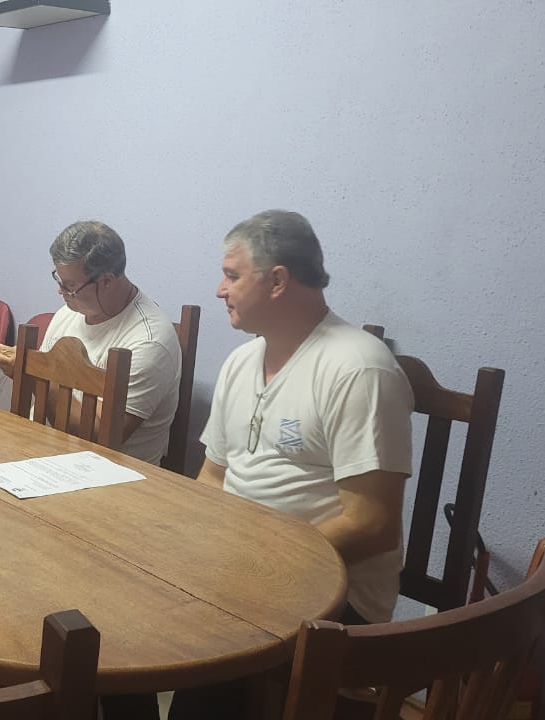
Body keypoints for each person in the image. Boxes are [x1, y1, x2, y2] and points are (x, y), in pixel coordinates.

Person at [172, 209, 414, 720]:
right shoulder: (241, 362)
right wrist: (192, 552)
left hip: (328, 594)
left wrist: (259, 566)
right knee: (133, 611)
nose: (220, 289)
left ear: (278, 280)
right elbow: (214, 475)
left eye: (232, 275)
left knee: (191, 660)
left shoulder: (358, 368)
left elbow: (372, 523)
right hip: (240, 571)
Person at [0, 221, 181, 465]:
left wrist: (33, 374)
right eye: (59, 281)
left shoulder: (149, 342)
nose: (61, 292)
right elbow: (44, 388)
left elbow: (100, 438)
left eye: (70, 286)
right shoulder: (70, 312)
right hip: (42, 451)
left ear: (107, 281)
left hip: (107, 472)